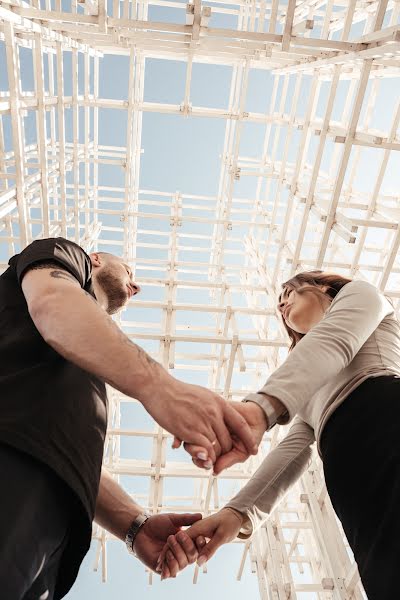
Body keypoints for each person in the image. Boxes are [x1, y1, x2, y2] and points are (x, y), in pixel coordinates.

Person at [0, 236, 258, 600]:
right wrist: (161, 387)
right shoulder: (65, 256)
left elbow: (61, 451)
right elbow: (52, 302)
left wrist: (134, 527)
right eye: (130, 271)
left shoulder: (86, 352)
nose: (136, 285)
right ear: (95, 259)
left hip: (48, 533)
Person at [158, 271, 400, 600]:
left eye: (289, 292)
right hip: (350, 480)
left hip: (386, 416)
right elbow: (293, 451)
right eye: (279, 301)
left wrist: (259, 410)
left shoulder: (362, 295)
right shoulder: (305, 378)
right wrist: (237, 512)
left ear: (323, 287)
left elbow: (336, 341)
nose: (282, 303)